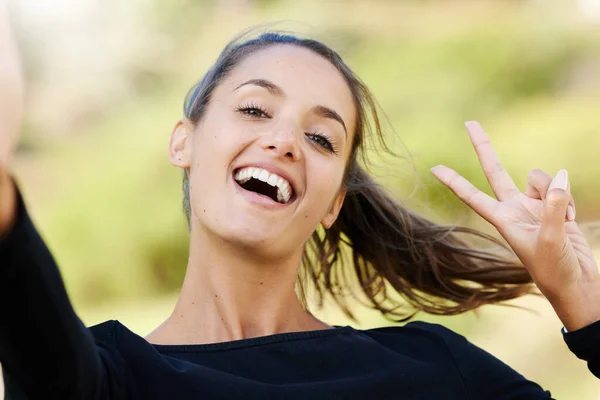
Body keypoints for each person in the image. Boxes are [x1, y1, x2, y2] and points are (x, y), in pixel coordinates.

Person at [1, 6, 599, 400]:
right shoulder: (107, 379)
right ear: (184, 141)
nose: (284, 141)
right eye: (255, 109)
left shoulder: (436, 370)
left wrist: (584, 307)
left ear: (334, 202)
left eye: (320, 138)